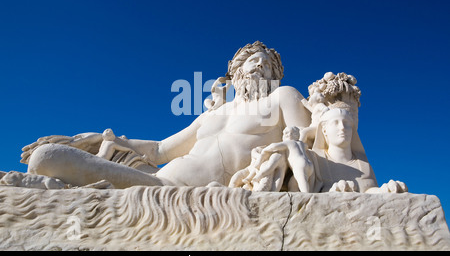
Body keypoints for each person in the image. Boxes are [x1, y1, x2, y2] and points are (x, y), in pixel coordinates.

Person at [27, 41, 311, 188]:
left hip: (185, 189)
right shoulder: (211, 116)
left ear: (276, 76)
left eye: (268, 65)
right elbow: (161, 150)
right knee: (49, 155)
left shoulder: (282, 97)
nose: (260, 66)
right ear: (236, 71)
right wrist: (96, 140)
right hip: (159, 178)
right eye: (253, 60)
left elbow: (310, 148)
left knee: (47, 159)